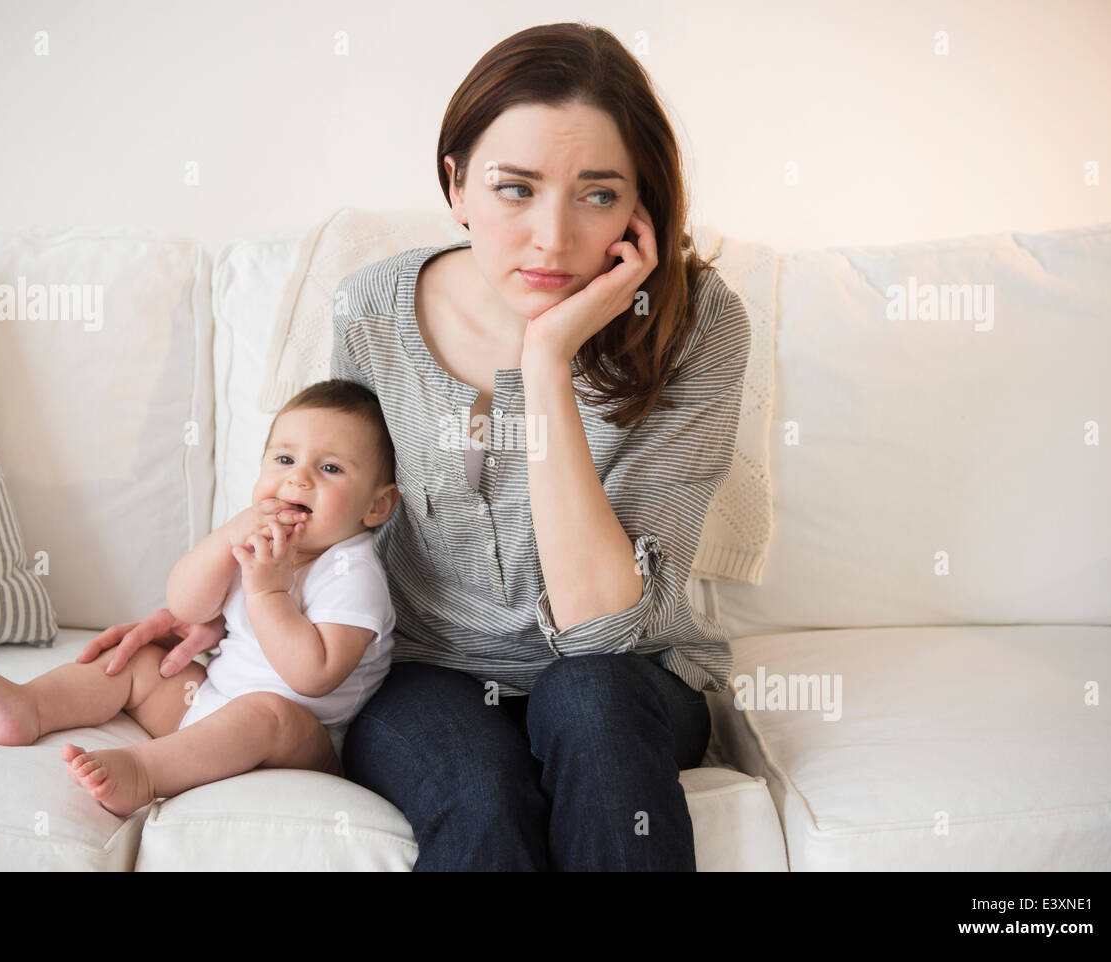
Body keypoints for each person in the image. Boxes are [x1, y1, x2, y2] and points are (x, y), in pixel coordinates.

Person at [80, 21, 752, 869]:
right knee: (479, 793)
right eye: (515, 189)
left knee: (591, 706)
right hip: (425, 671)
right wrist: (216, 605)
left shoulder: (696, 325)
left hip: (626, 675)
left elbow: (600, 631)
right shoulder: (373, 311)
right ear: (456, 185)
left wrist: (545, 358)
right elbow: (331, 498)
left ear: (640, 205)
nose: (551, 236)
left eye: (597, 193)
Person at [0, 380, 399, 816]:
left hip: (296, 741)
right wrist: (226, 539)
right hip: (207, 707)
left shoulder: (352, 572)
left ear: (377, 506)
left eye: (330, 468)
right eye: (283, 459)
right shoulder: (257, 539)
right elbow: (186, 608)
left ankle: (145, 771)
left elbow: (312, 675)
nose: (298, 480)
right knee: (140, 660)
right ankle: (30, 707)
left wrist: (266, 591)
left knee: (269, 712)